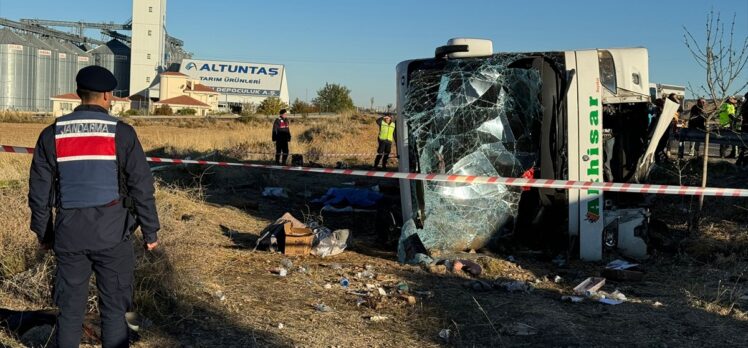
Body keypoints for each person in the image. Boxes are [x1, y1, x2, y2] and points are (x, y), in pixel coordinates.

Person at [28, 66, 160, 348]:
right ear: (107, 95)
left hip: (69, 234)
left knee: (70, 311)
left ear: (79, 94)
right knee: (113, 312)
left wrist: (45, 234)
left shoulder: (52, 134)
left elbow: (38, 192)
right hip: (113, 236)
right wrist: (150, 232)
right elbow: (141, 186)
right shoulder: (121, 133)